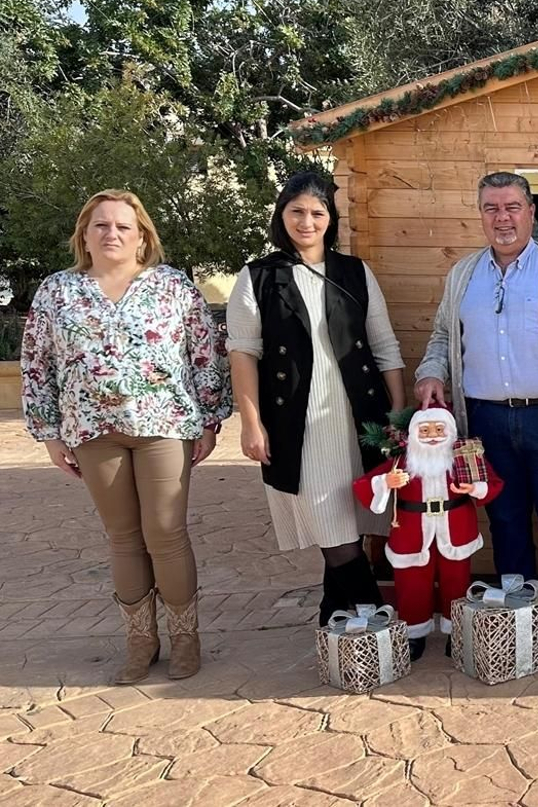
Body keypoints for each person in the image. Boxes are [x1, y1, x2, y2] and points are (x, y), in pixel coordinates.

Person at [21, 190, 232, 683]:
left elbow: (204, 352)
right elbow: (36, 364)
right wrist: (51, 434)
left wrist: (208, 420)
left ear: (142, 238)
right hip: (92, 431)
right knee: (123, 538)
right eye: (101, 226)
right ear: (85, 236)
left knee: (166, 533)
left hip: (163, 425)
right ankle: (141, 642)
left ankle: (185, 638)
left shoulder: (172, 287)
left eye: (122, 227)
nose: (111, 234)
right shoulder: (57, 292)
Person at [415, 171, 538, 646]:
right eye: (492, 209)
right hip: (483, 421)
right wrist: (431, 372)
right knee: (505, 518)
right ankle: (521, 608)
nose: (503, 218)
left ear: (531, 212)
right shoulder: (463, 274)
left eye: (512, 207)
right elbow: (444, 335)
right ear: (481, 214)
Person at [226, 171, 404, 628]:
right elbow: (244, 353)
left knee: (352, 519)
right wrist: (251, 422)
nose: (307, 221)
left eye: (317, 213)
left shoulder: (355, 272)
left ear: (331, 219)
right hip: (296, 422)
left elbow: (385, 348)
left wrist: (398, 419)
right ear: (281, 215)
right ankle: (375, 616)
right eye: (297, 212)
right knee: (330, 525)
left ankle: (336, 618)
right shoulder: (258, 277)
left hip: (359, 416)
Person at [354, 407, 501, 659]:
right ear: (412, 434)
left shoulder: (463, 459)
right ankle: (413, 634)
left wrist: (474, 487)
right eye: (424, 431)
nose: (432, 436)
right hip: (411, 532)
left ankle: (457, 632)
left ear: (451, 432)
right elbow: (364, 485)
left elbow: (494, 483)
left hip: (454, 530)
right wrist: (386, 483)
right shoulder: (402, 462)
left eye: (439, 430)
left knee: (457, 583)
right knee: (411, 584)